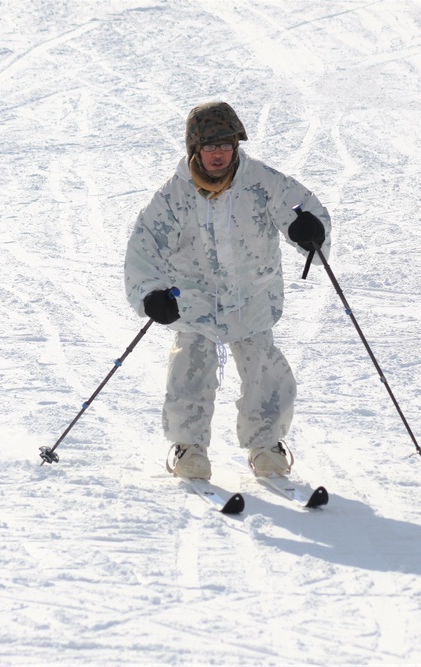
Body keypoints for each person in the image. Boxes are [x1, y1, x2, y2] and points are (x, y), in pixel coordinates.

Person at [124, 101, 331, 480]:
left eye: (225, 144)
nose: (218, 153)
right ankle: (189, 448)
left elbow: (302, 208)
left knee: (263, 369)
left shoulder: (264, 182)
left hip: (252, 294)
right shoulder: (173, 196)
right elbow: (145, 246)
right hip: (193, 299)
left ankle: (266, 447)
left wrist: (309, 231)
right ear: (194, 149)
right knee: (191, 366)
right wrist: (151, 293)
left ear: (236, 145)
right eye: (209, 146)